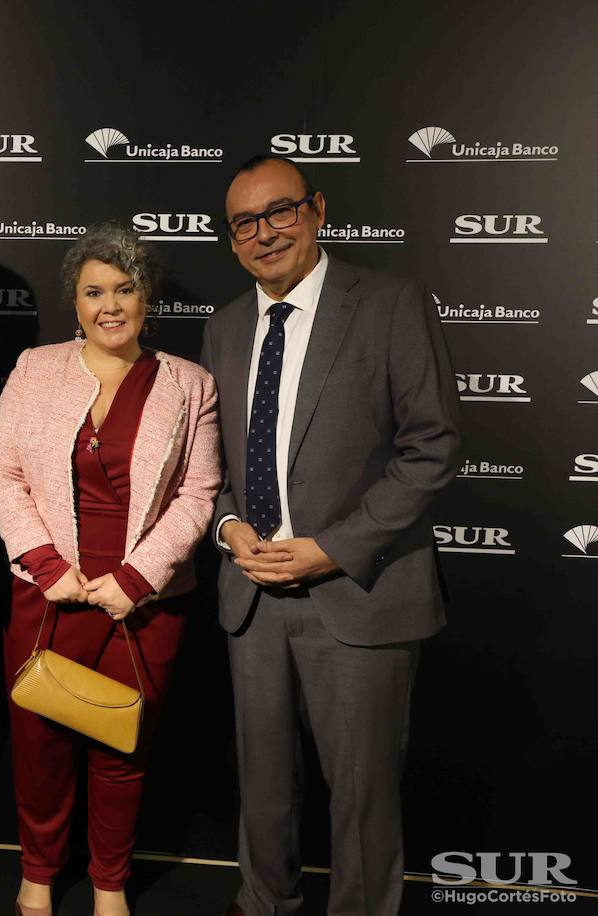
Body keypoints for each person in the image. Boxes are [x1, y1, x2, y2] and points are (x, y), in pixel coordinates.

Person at [200, 156, 462, 916]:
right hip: (251, 597)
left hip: (360, 591)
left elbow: (433, 446)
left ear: (316, 210)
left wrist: (332, 547)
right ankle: (264, 904)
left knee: (364, 800)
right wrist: (227, 526)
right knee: (264, 791)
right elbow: (207, 464)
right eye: (244, 223)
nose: (263, 233)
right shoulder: (224, 327)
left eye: (278, 212)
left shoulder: (388, 303)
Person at [0, 221, 221, 916]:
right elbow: (7, 477)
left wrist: (135, 578)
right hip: (48, 593)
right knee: (40, 742)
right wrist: (43, 564)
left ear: (146, 297)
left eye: (126, 289)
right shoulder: (34, 369)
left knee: (121, 744)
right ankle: (37, 871)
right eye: (95, 292)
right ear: (77, 302)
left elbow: (198, 492)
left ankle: (109, 883)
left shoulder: (190, 384)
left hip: (142, 603)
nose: (111, 305)